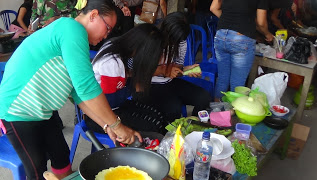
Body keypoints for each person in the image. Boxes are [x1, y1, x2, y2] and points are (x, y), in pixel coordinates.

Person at [0, 0, 141, 179]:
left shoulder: (74, 36)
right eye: (107, 28)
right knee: (37, 170)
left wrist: (107, 125)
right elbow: (86, 86)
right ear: (93, 15)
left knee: (61, 158)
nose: (106, 36)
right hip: (17, 112)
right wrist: (117, 125)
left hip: (42, 110)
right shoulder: (72, 29)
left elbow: (79, 94)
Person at [88, 23, 167, 134]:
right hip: (101, 116)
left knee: (158, 115)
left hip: (116, 106)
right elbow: (109, 101)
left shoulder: (121, 48)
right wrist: (133, 85)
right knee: (153, 124)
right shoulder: (112, 63)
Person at [141, 12, 212, 122]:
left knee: (204, 97)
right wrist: (163, 71)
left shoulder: (181, 41)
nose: (175, 44)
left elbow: (177, 67)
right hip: (151, 85)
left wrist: (185, 70)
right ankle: (166, 135)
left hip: (169, 82)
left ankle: (194, 124)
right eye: (173, 40)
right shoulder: (151, 40)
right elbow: (137, 71)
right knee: (173, 109)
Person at [210, 0, 274, 102]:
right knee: (237, 82)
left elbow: (213, 8)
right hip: (241, 39)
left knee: (222, 78)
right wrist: (268, 34)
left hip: (221, 36)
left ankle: (215, 110)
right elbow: (261, 22)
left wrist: (230, 23)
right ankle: (232, 113)